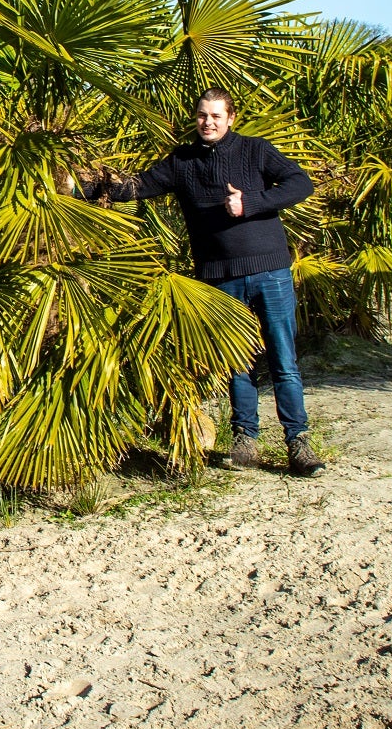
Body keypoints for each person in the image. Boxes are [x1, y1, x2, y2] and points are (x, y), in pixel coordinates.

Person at [88, 87, 322, 476]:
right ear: (195, 119)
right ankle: (245, 441)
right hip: (219, 277)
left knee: (283, 360)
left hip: (270, 272)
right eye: (202, 116)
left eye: (216, 116)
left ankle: (299, 444)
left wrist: (251, 202)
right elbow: (137, 187)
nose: (208, 122)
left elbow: (301, 184)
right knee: (237, 362)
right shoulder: (182, 161)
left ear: (230, 119)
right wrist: (83, 186)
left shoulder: (255, 150)